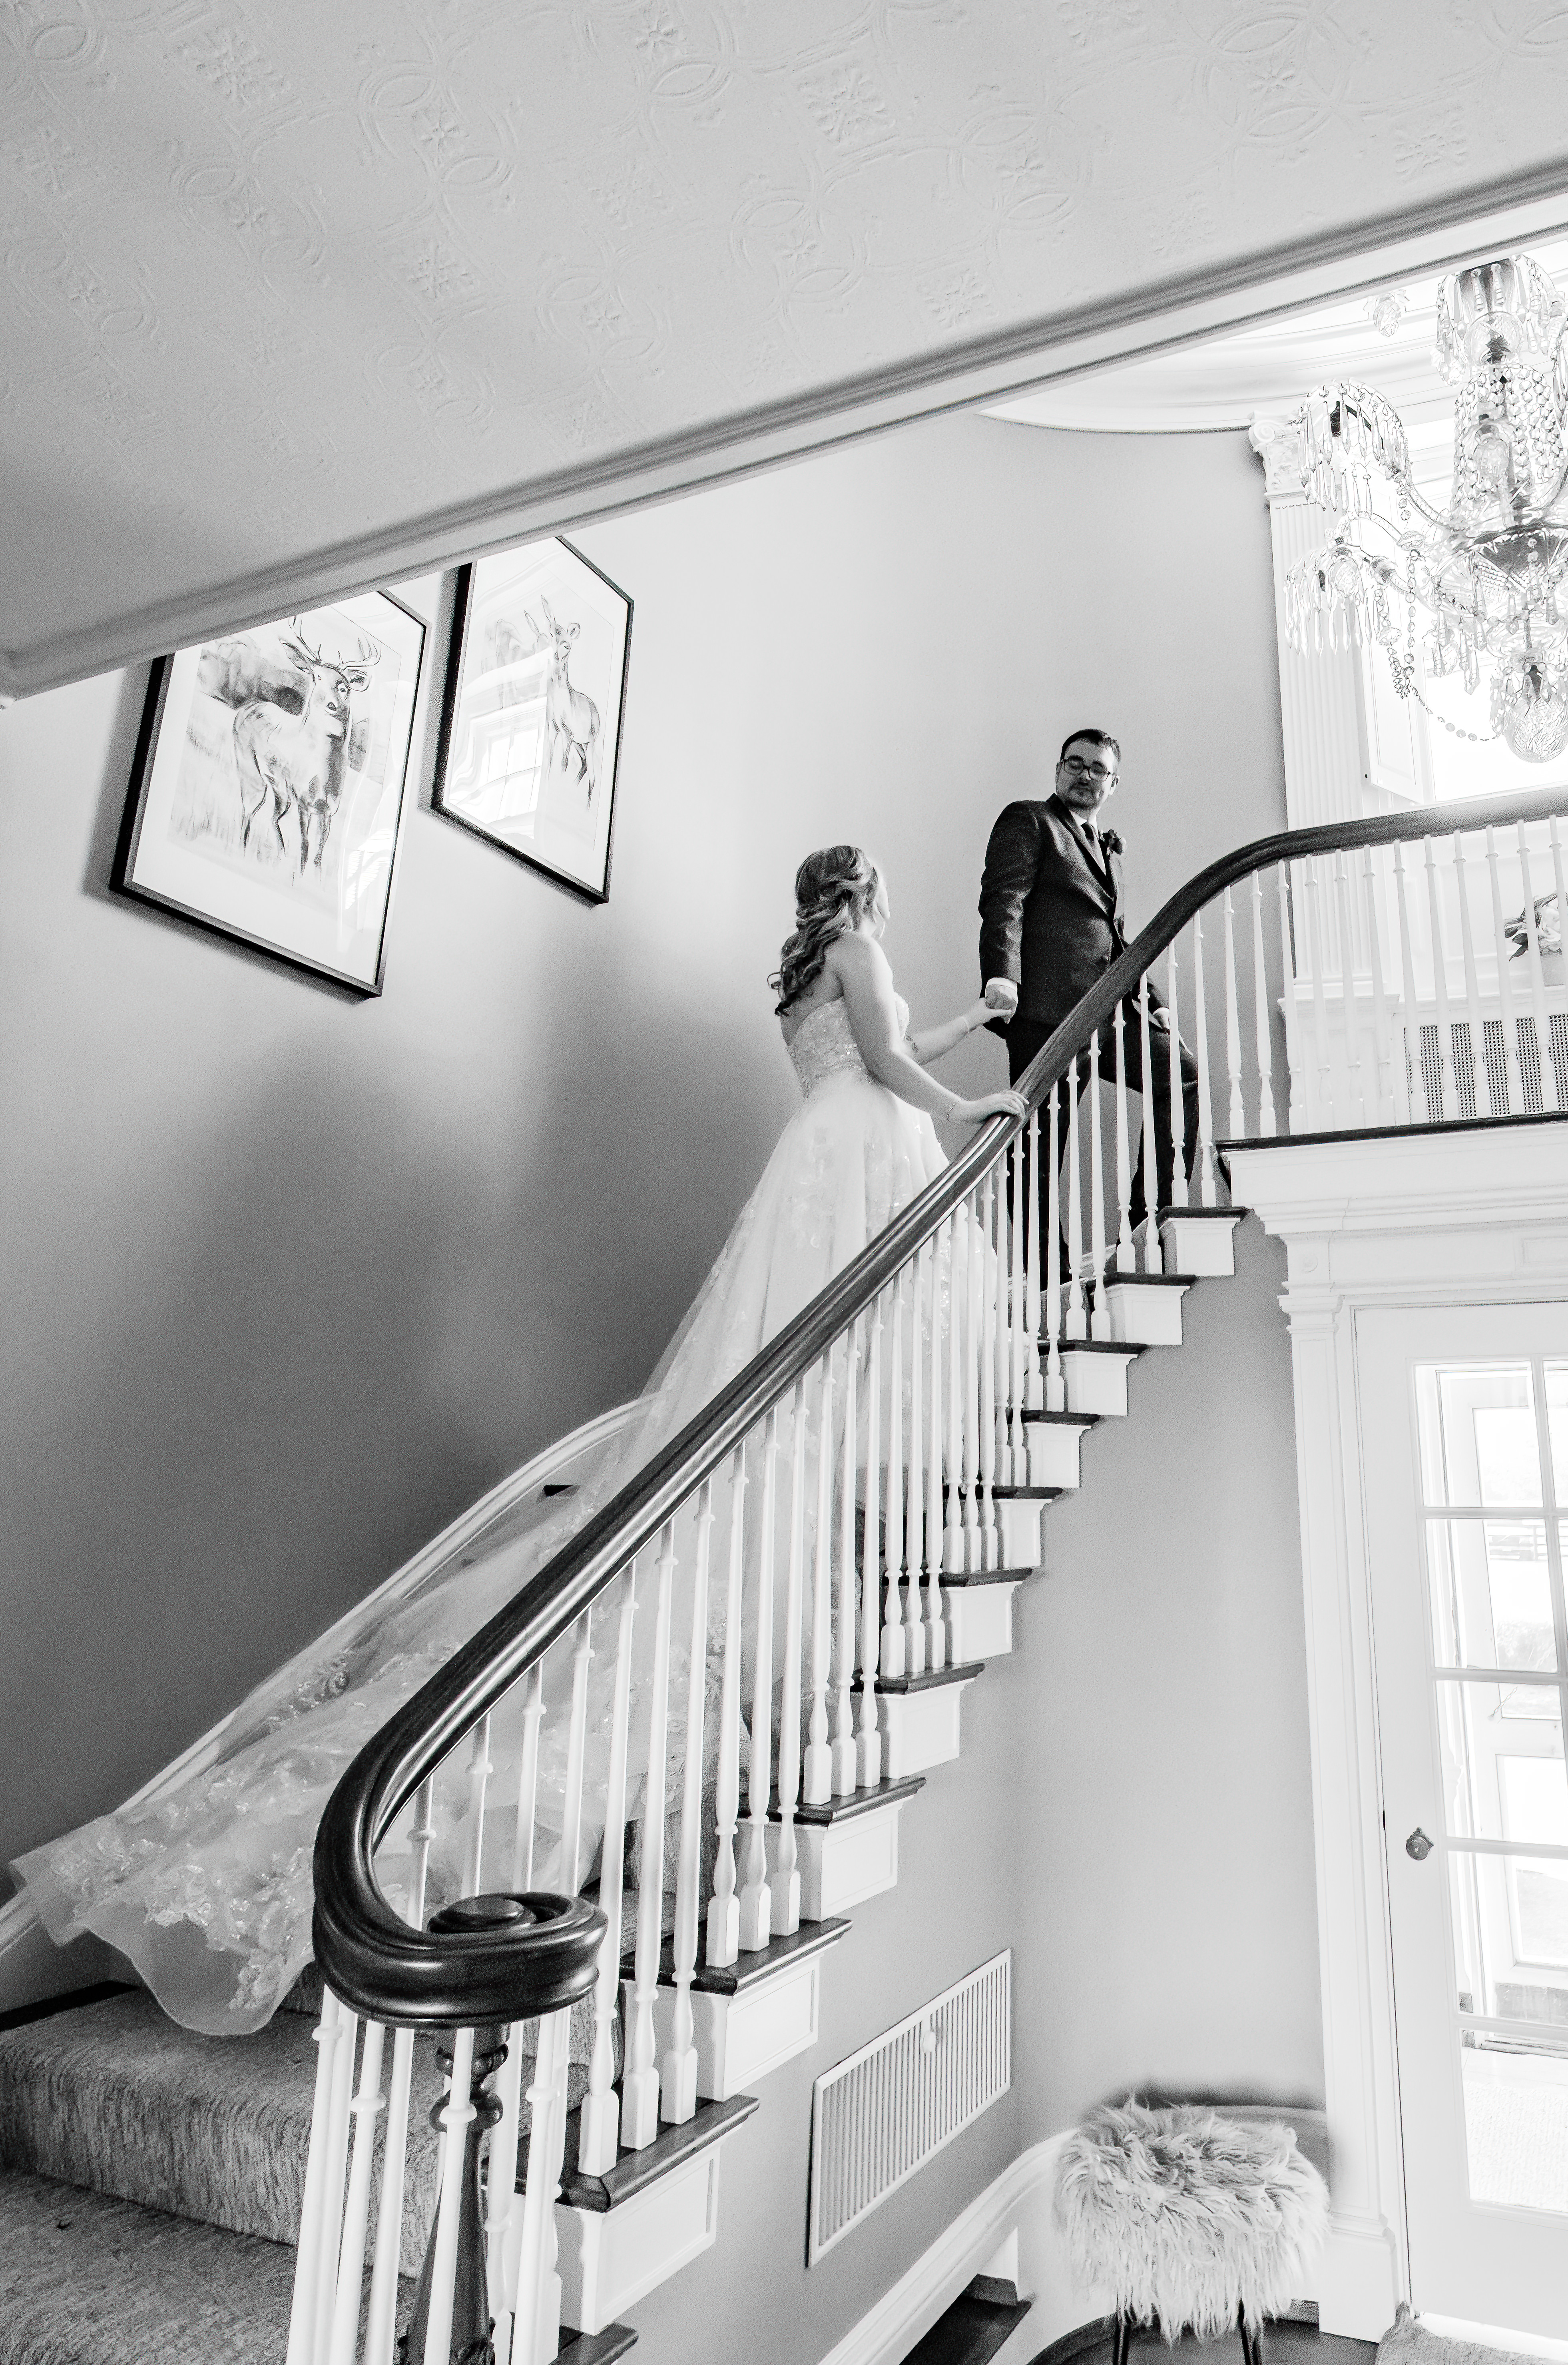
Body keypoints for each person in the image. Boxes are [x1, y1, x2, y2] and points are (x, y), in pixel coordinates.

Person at [13, 845, 1022, 2036]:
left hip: (829, 1141)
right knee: (842, 1351)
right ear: (866, 889)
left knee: (806, 1364)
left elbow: (878, 1049)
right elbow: (892, 1062)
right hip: (865, 1145)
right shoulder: (861, 949)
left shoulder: (810, 970)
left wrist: (976, 1019)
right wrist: (969, 1106)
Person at [978, 729, 1199, 1267]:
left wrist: (1154, 998)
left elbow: (1117, 938)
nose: (1083, 774)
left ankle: (1150, 1218)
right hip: (1047, 1014)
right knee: (1039, 1146)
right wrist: (1001, 977)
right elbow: (1004, 899)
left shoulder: (1110, 851)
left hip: (1112, 1010)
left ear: (1113, 782)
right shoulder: (1029, 820)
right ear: (1058, 770)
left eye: (1097, 768)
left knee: (1182, 1074)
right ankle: (1046, 1273)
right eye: (1074, 764)